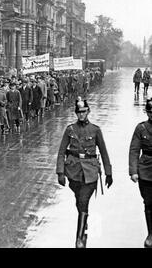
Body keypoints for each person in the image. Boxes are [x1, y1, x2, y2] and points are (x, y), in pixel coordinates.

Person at [56, 97, 113, 248]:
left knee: (83, 201)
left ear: (88, 111)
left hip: (90, 171)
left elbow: (104, 151)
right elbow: (61, 152)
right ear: (76, 113)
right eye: (79, 112)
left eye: (84, 111)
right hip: (74, 171)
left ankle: (79, 238)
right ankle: (84, 220)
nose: (81, 115)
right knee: (79, 200)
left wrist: (109, 173)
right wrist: (60, 172)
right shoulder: (70, 129)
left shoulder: (95, 130)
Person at [129, 99, 152, 248]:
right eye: (150, 112)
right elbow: (134, 150)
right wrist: (133, 171)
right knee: (149, 203)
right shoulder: (141, 128)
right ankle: (151, 234)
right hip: (146, 171)